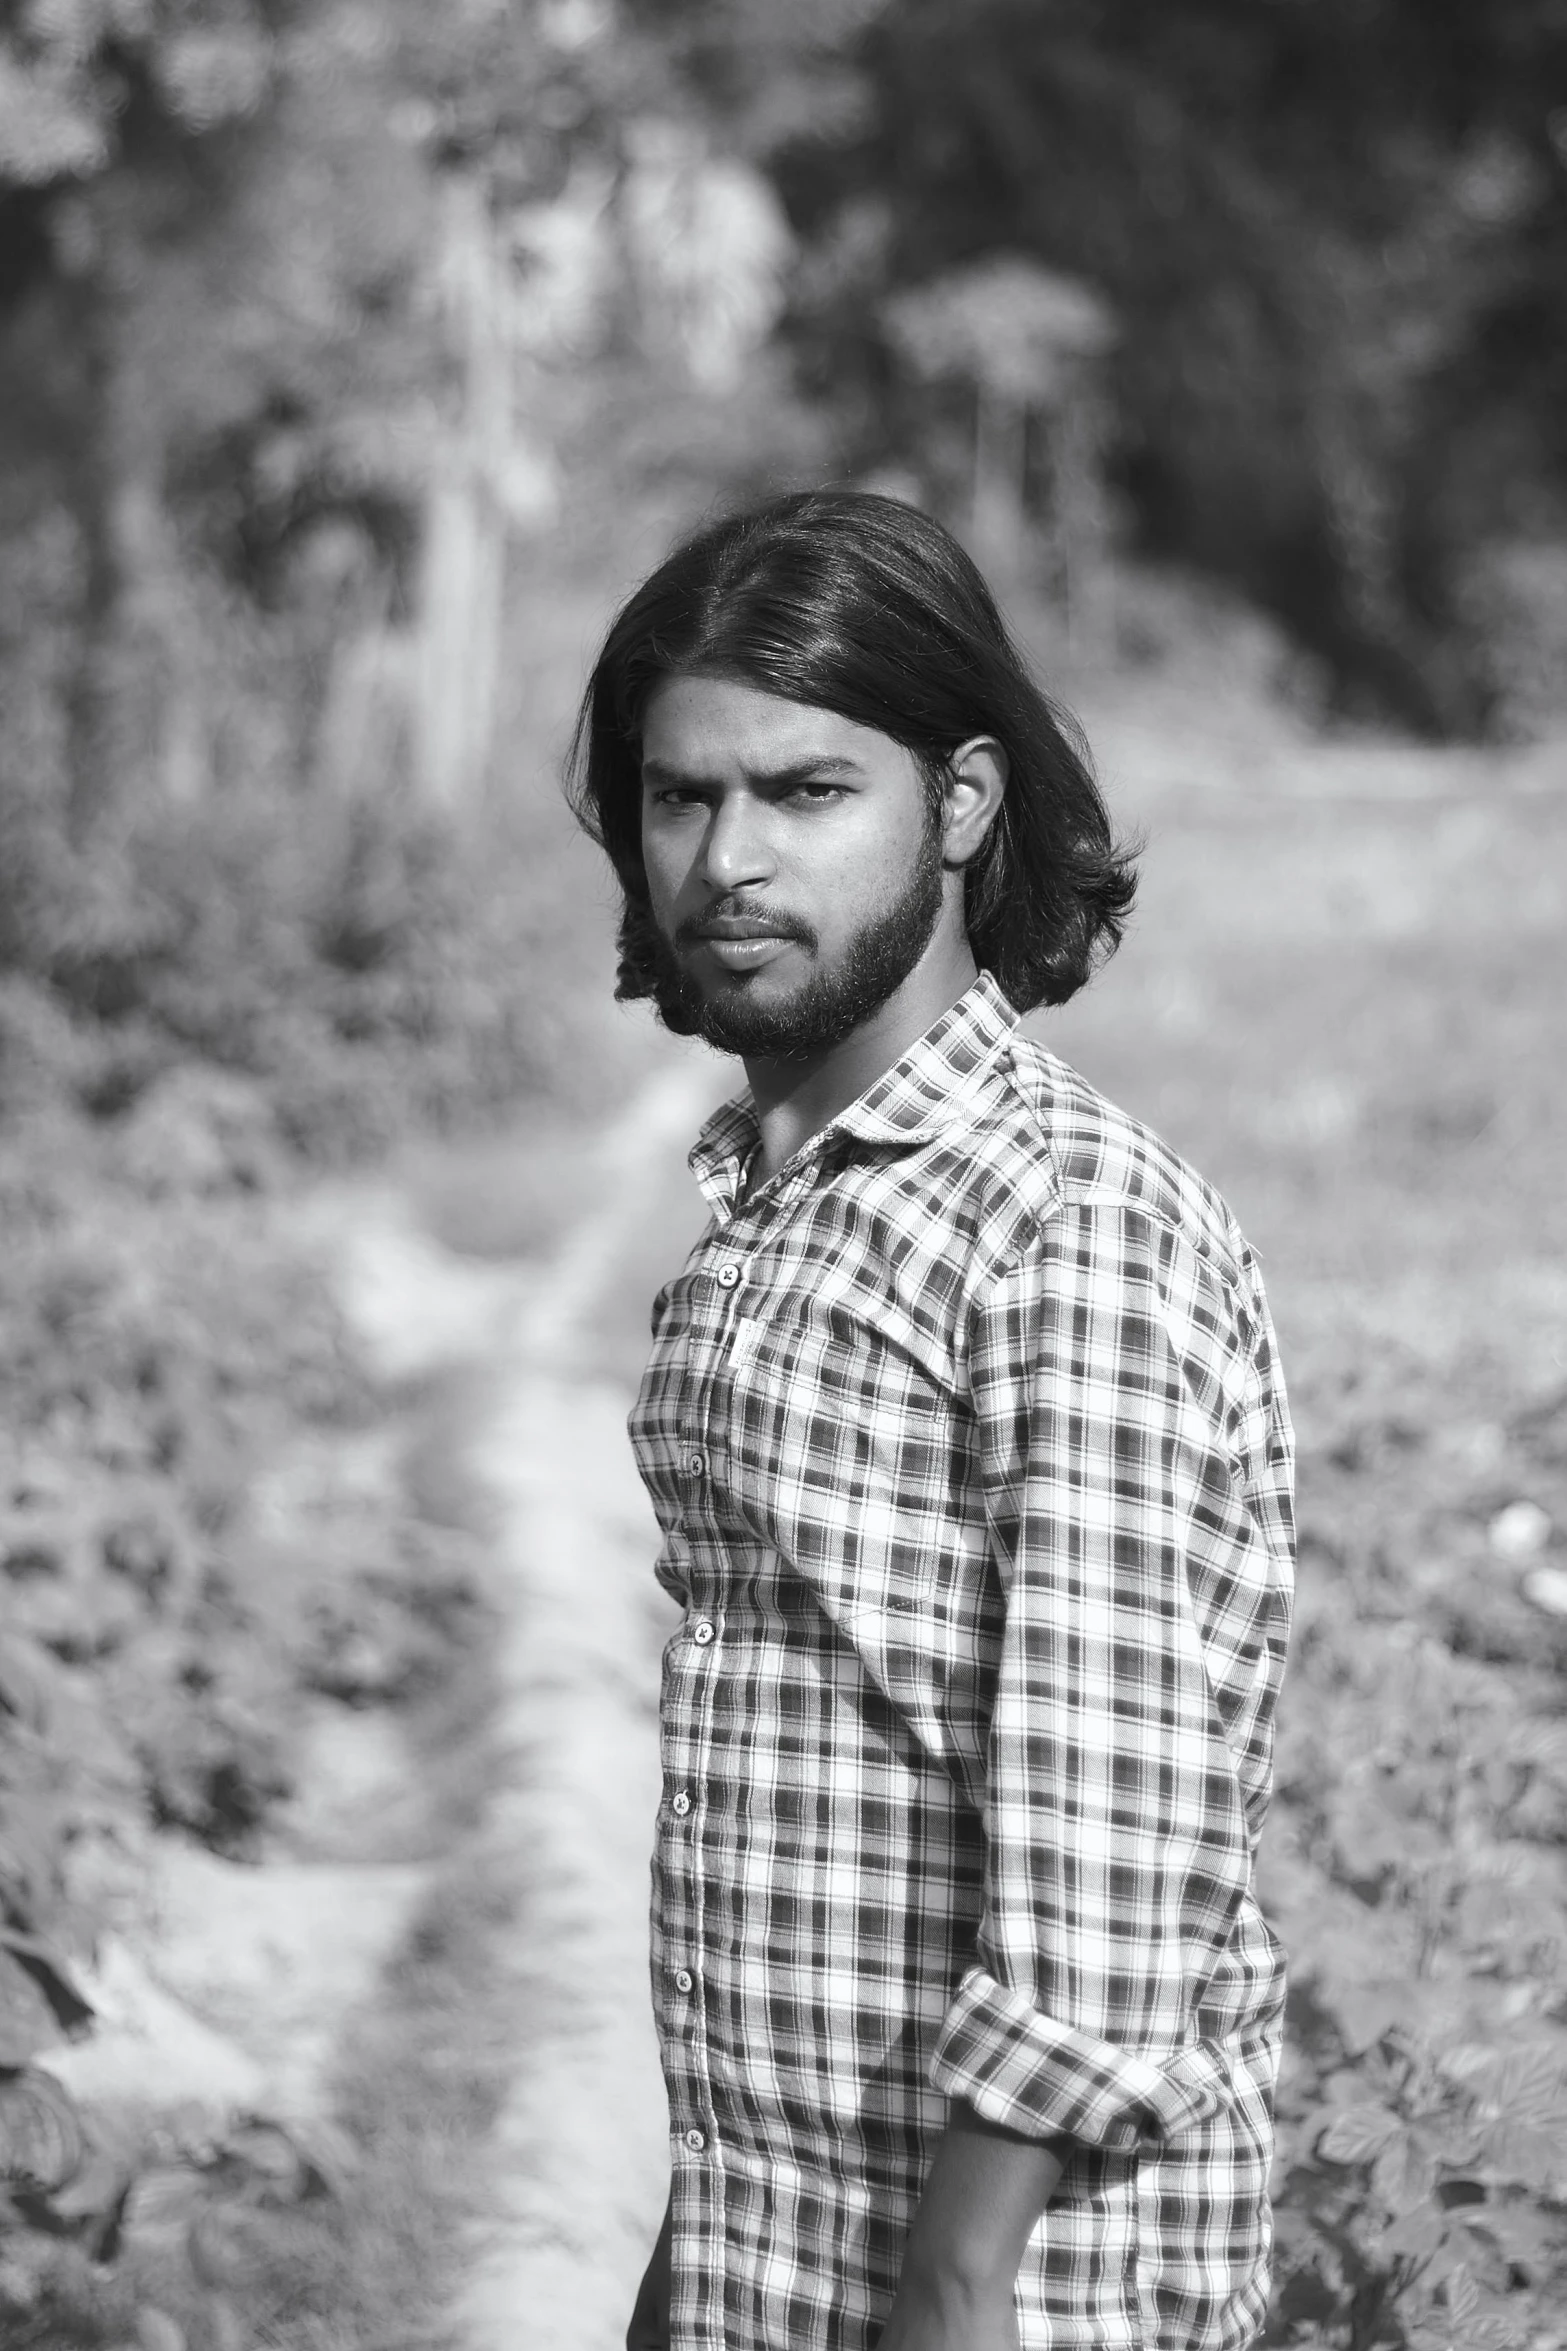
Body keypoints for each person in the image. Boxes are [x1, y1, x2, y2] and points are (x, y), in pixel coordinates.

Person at [569, 489, 1294, 2351]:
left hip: (1011, 2284)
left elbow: (1110, 1842)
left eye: (807, 792)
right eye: (681, 795)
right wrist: (689, 2271)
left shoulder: (1063, 1221)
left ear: (960, 805)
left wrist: (952, 2294)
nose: (728, 859)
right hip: (785, 2249)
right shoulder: (787, 1196)